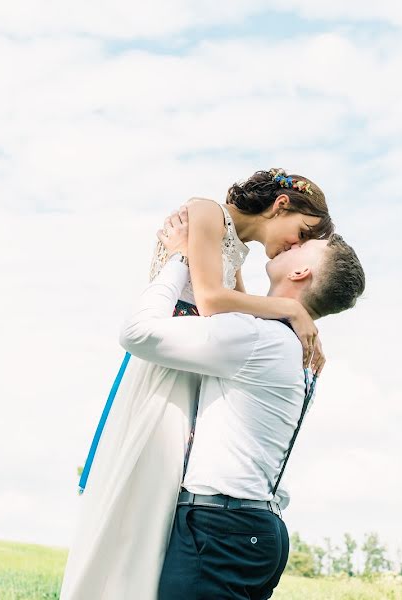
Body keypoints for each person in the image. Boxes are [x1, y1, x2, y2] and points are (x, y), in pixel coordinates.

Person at [60, 169, 334, 599]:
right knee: (140, 497)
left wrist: (290, 316)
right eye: (301, 232)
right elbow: (209, 300)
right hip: (169, 366)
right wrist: (290, 309)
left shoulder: (236, 251)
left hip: (198, 369)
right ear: (281, 205)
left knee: (162, 514)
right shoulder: (207, 211)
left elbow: (233, 318)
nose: (295, 245)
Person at [119, 208, 365, 599]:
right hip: (252, 528)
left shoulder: (259, 340)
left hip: (220, 530)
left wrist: (181, 259)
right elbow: (234, 302)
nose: (295, 243)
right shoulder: (288, 344)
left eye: (306, 245)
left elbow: (138, 334)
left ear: (300, 274)